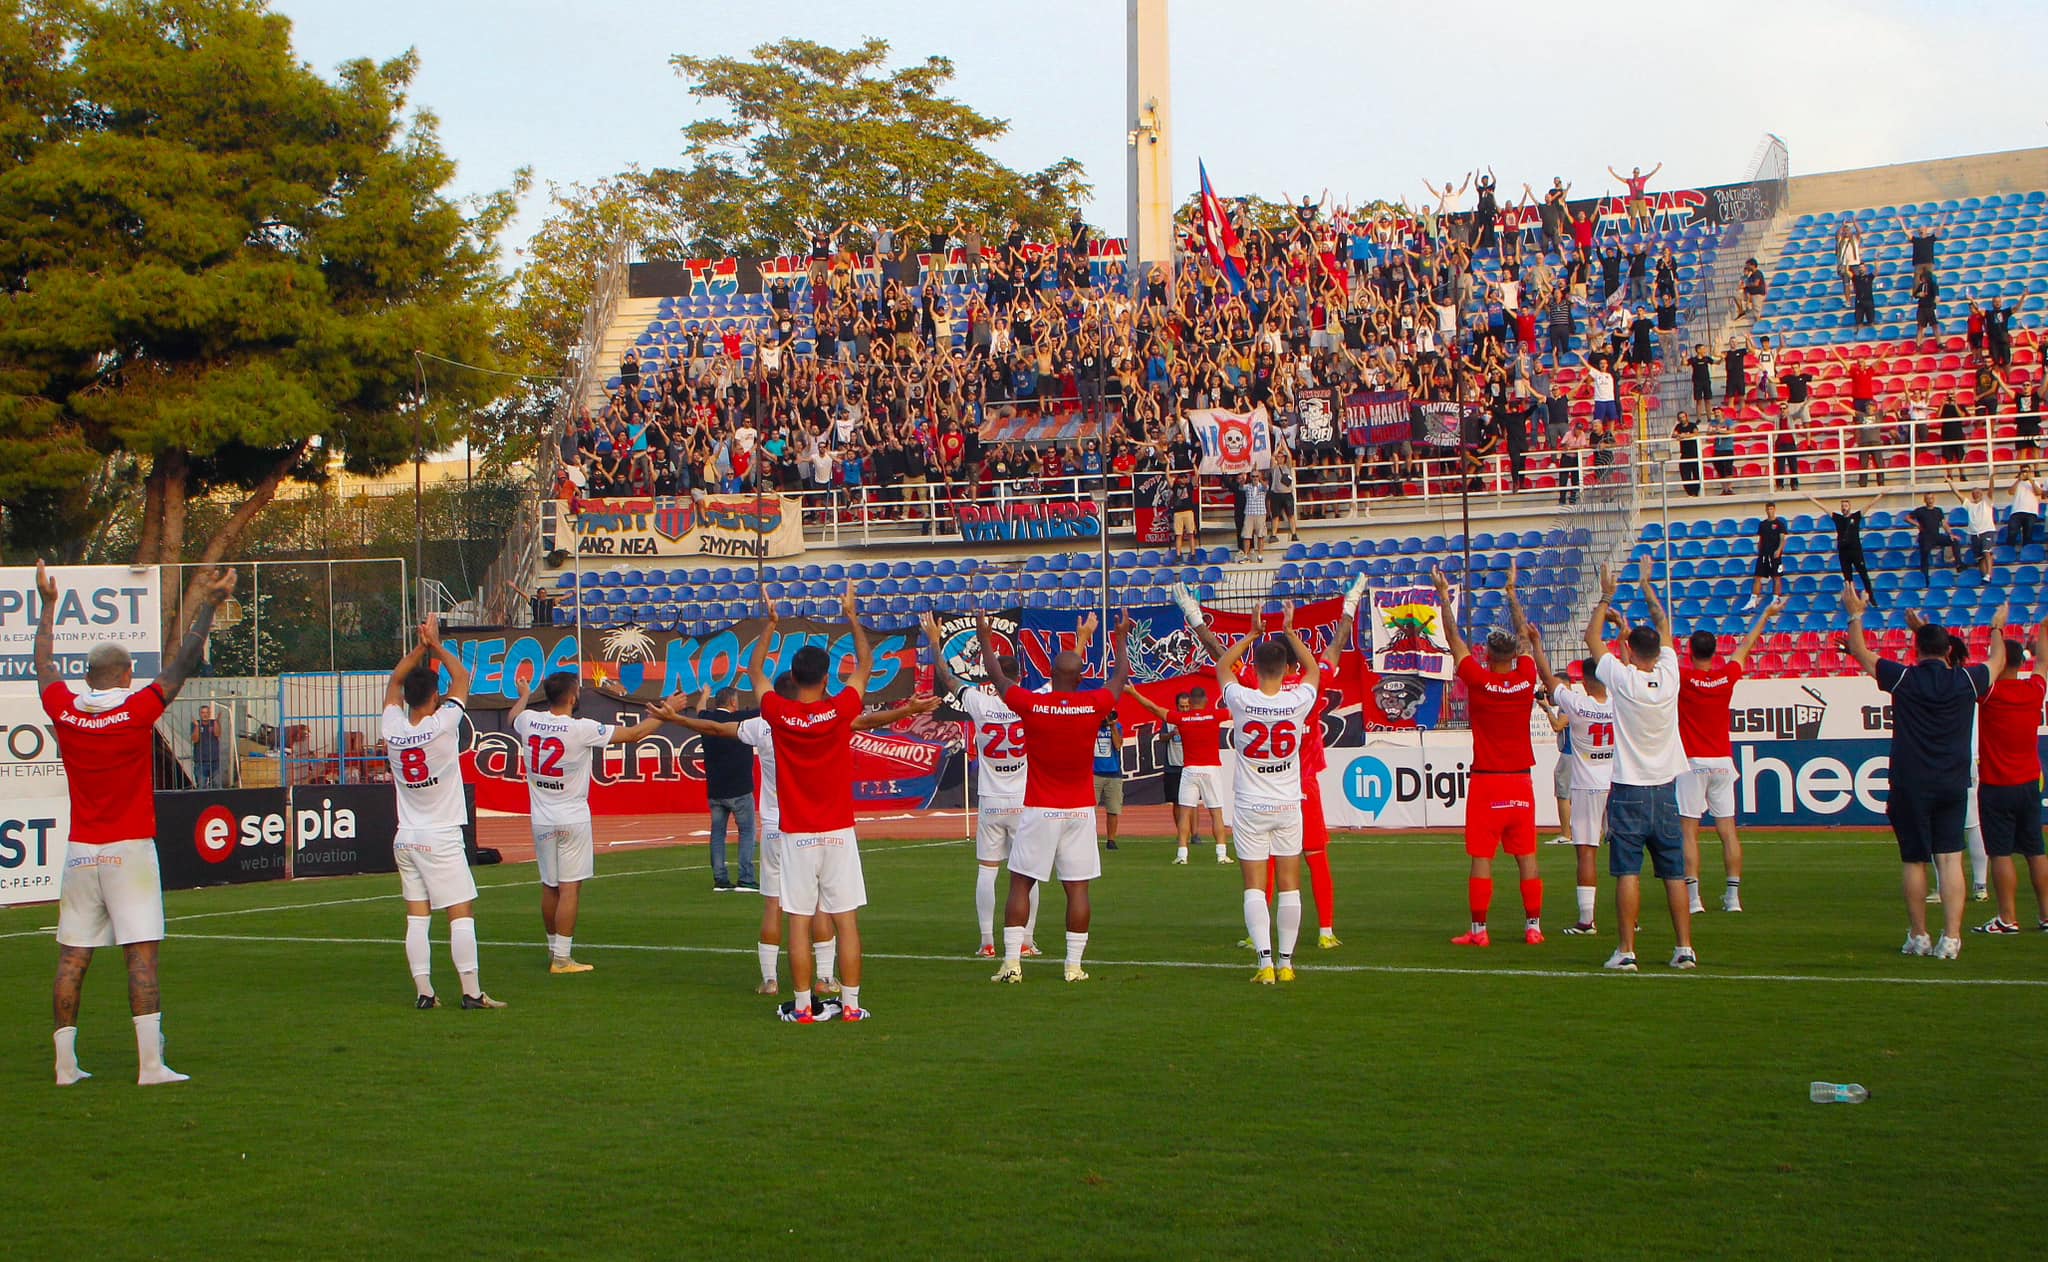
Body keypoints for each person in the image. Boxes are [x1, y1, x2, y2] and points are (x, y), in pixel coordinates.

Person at [39, 560, 236, 1086]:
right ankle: (150, 1064)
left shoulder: (64, 709)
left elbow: (45, 669)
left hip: (81, 851)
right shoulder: (133, 711)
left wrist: (48, 606)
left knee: (72, 959)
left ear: (87, 676)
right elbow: (183, 665)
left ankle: (64, 1066)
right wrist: (211, 604)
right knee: (141, 957)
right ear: (126, 675)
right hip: (129, 850)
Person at [979, 610, 1132, 983]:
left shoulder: (1032, 704)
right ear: (1080, 678)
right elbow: (1120, 677)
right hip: (1079, 810)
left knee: (1020, 883)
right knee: (1077, 889)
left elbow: (998, 679)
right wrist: (1121, 637)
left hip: (1039, 807)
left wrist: (985, 636)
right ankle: (1073, 966)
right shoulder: (1094, 703)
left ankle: (1012, 964)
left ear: (1049, 677)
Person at [1839, 582, 1987, 959]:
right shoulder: (1965, 680)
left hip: (1910, 781)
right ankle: (1951, 938)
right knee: (1950, 859)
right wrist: (1999, 628)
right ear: (1950, 651)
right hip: (1952, 780)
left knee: (1914, 860)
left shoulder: (1905, 678)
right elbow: (1999, 662)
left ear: (1916, 649)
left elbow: (1860, 650)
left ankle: (1919, 934)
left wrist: (1856, 613)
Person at [507, 673, 672, 973]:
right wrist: (666, 714)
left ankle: (553, 947)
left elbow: (514, 716)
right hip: (571, 817)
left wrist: (523, 694)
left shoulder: (529, 720)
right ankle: (562, 958)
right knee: (570, 888)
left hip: (542, 818)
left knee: (549, 886)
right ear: (571, 698)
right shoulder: (580, 728)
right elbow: (634, 735)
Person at [380, 615, 504, 1010]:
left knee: (417, 917)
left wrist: (418, 648)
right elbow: (463, 678)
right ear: (435, 696)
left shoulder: (393, 726)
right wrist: (436, 646)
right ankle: (471, 992)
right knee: (460, 912)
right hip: (441, 833)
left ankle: (425, 993)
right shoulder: (443, 723)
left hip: (407, 834)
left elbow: (393, 682)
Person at [1584, 567, 1697, 971]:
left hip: (1630, 788)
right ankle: (1684, 948)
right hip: (1666, 788)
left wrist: (1606, 597)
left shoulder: (1622, 677)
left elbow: (1592, 640)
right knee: (1674, 873)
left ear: (1629, 650)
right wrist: (1649, 587)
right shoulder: (1670, 676)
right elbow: (1664, 625)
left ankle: (1627, 950)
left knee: (1627, 872)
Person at [1430, 564, 1544, 948]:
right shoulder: (1526, 676)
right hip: (1520, 781)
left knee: (1482, 857)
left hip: (1487, 782)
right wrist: (1512, 595)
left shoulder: (1479, 680)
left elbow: (1453, 638)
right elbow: (1527, 640)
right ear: (1513, 654)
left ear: (1488, 654)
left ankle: (1479, 931)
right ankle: (1533, 927)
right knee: (1526, 856)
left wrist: (1445, 599)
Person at [920, 611, 1042, 959]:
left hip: (990, 798)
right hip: (1023, 798)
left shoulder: (980, 701)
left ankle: (987, 941)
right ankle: (1026, 940)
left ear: (993, 678)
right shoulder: (1031, 703)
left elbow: (946, 676)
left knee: (987, 870)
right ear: (1019, 677)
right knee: (1027, 872)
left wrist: (934, 640)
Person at [1209, 607, 1320, 983]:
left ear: (1253, 668)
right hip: (1289, 802)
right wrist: (1289, 632)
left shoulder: (1240, 699)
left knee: (1254, 885)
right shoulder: (1297, 701)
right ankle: (1287, 964)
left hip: (1250, 804)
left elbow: (1223, 667)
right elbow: (1315, 671)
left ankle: (1265, 963)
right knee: (1290, 884)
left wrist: (1252, 634)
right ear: (1288, 670)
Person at [1677, 600, 1784, 915]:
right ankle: (1732, 896)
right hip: (1723, 762)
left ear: (1690, 652)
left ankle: (1694, 899)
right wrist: (1764, 615)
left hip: (1692, 762)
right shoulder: (1726, 676)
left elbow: (1663, 648)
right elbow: (1747, 647)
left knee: (1688, 832)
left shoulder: (1684, 677)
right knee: (1728, 831)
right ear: (1714, 652)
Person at [1973, 609, 2048, 934]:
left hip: (1997, 785)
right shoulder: (2033, 691)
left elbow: (1992, 661)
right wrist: (2044, 627)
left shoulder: (1989, 694)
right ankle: (2046, 916)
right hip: (2029, 782)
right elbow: (2044, 662)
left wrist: (1997, 627)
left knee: (2000, 853)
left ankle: (2007, 917)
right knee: (2036, 850)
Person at [689, 686, 761, 893]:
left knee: (717, 834)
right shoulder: (742, 718)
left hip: (716, 789)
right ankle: (746, 878)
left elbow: (700, 709)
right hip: (740, 788)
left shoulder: (706, 720)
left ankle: (720, 879)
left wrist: (704, 693)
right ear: (732, 702)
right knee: (747, 832)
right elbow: (767, 708)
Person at [1803, 491, 1885, 604]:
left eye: (1846, 506)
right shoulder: (1838, 518)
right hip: (1843, 552)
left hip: (1856, 551)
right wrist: (1811, 498)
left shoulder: (1856, 516)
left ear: (1849, 507)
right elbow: (1824, 508)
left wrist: (1880, 495)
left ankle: (1871, 596)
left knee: (1863, 574)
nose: (1844, 508)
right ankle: (1851, 599)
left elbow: (1869, 505)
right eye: (1842, 506)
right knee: (1848, 579)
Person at [1948, 477, 1998, 580]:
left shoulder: (1986, 502)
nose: (1976, 494)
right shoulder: (1969, 504)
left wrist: (1992, 478)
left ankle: (1989, 574)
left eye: (1978, 492)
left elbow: (1991, 490)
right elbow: (1957, 494)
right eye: (1974, 492)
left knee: (1986, 552)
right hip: (1974, 534)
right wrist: (1950, 483)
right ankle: (1985, 576)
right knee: (1979, 558)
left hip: (1987, 531)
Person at [1743, 502, 1788, 612]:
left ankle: (1775, 598)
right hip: (1764, 554)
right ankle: (1753, 599)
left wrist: (1779, 550)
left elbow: (1782, 539)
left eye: (1771, 509)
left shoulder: (1779, 524)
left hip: (1775, 555)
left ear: (1774, 510)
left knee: (1776, 577)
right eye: (1768, 509)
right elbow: (1761, 539)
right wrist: (1759, 550)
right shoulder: (1762, 524)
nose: (1769, 511)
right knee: (1758, 576)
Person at [1908, 491, 1965, 578]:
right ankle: (1925, 577)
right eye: (1928, 499)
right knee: (1925, 555)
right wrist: (1917, 524)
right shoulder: (1920, 510)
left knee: (1954, 540)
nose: (1930, 501)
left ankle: (1958, 564)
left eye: (1931, 498)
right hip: (1925, 537)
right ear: (1925, 500)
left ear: (1934, 499)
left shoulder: (1938, 510)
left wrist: (1950, 534)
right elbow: (1907, 518)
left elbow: (1944, 523)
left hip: (1936, 536)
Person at [1093, 711, 1125, 852]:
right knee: (1089, 810)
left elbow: (1118, 745)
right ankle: (1089, 838)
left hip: (1114, 773)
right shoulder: (1091, 725)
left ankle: (1111, 840)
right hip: (1094, 773)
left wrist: (1112, 727)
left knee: (1113, 810)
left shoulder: (1117, 726)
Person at [190, 704, 223, 789]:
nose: (205, 714)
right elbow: (195, 739)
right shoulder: (195, 724)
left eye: (207, 712)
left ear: (210, 713)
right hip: (200, 762)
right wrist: (197, 726)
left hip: (214, 762)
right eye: (203, 712)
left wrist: (217, 721)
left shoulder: (214, 722)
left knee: (217, 786)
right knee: (201, 786)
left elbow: (217, 734)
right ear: (200, 714)